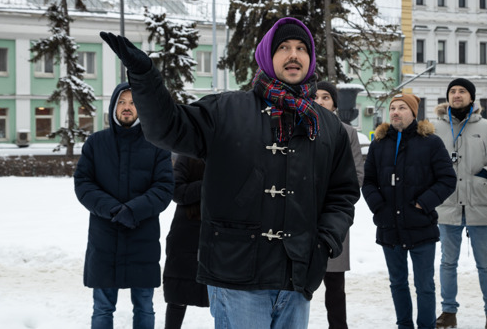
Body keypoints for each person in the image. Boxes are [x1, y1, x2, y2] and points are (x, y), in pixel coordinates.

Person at [100, 16, 361, 329]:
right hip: (237, 274)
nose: (294, 54)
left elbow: (343, 193)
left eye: (301, 48)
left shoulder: (327, 126)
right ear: (267, 56)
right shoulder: (226, 110)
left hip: (297, 275)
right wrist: (145, 77)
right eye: (284, 47)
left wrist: (324, 243)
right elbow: (168, 128)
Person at [74, 83, 174, 329]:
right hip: (104, 238)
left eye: (132, 102)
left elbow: (163, 188)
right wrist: (112, 210)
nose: (127, 108)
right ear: (113, 107)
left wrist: (133, 210)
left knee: (144, 306)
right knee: (102, 308)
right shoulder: (96, 143)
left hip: (143, 239)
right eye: (122, 102)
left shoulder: (156, 145)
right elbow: (83, 184)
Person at [362, 93, 456, 329]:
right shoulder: (379, 143)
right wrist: (379, 208)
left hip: (420, 225)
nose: (395, 112)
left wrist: (422, 204)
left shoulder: (431, 142)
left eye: (402, 107)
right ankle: (404, 325)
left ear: (413, 113)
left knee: (424, 285)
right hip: (388, 225)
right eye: (392, 108)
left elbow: (447, 179)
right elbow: (368, 181)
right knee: (397, 283)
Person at [433, 78, 487, 329]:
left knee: (485, 263)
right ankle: (448, 312)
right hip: (447, 205)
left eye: (462, 91)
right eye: (453, 91)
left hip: (478, 204)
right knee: (447, 262)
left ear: (472, 97)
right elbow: (426, 162)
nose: (457, 95)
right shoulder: (436, 128)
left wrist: (486, 174)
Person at [315, 80, 364, 329]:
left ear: (334, 103)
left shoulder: (347, 132)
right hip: (300, 216)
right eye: (316, 97)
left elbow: (356, 175)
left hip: (334, 216)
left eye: (326, 97)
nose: (320, 101)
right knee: (293, 284)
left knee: (334, 285)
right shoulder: (299, 128)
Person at [163, 154, 208, 328]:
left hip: (221, 233)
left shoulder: (230, 153)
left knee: (225, 299)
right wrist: (211, 183)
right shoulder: (187, 155)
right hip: (185, 234)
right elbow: (177, 191)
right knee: (178, 294)